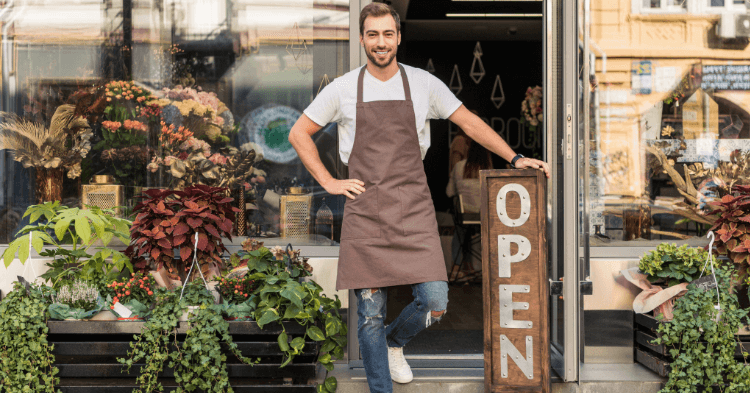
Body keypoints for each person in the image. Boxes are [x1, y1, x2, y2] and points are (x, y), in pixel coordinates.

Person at [288, 4, 550, 392]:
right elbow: (298, 133)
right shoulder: (343, 88)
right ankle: (381, 387)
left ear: (398, 37)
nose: (380, 42)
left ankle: (397, 343)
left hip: (412, 206)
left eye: (388, 34)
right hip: (366, 210)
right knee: (369, 316)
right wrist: (329, 181)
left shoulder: (423, 83)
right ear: (362, 39)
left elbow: (469, 122)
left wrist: (515, 157)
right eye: (373, 35)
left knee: (435, 298)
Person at [446, 138, 493, 214]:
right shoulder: (489, 171)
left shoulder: (458, 166)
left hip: (463, 217)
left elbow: (449, 192)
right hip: (484, 218)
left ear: (469, 149)